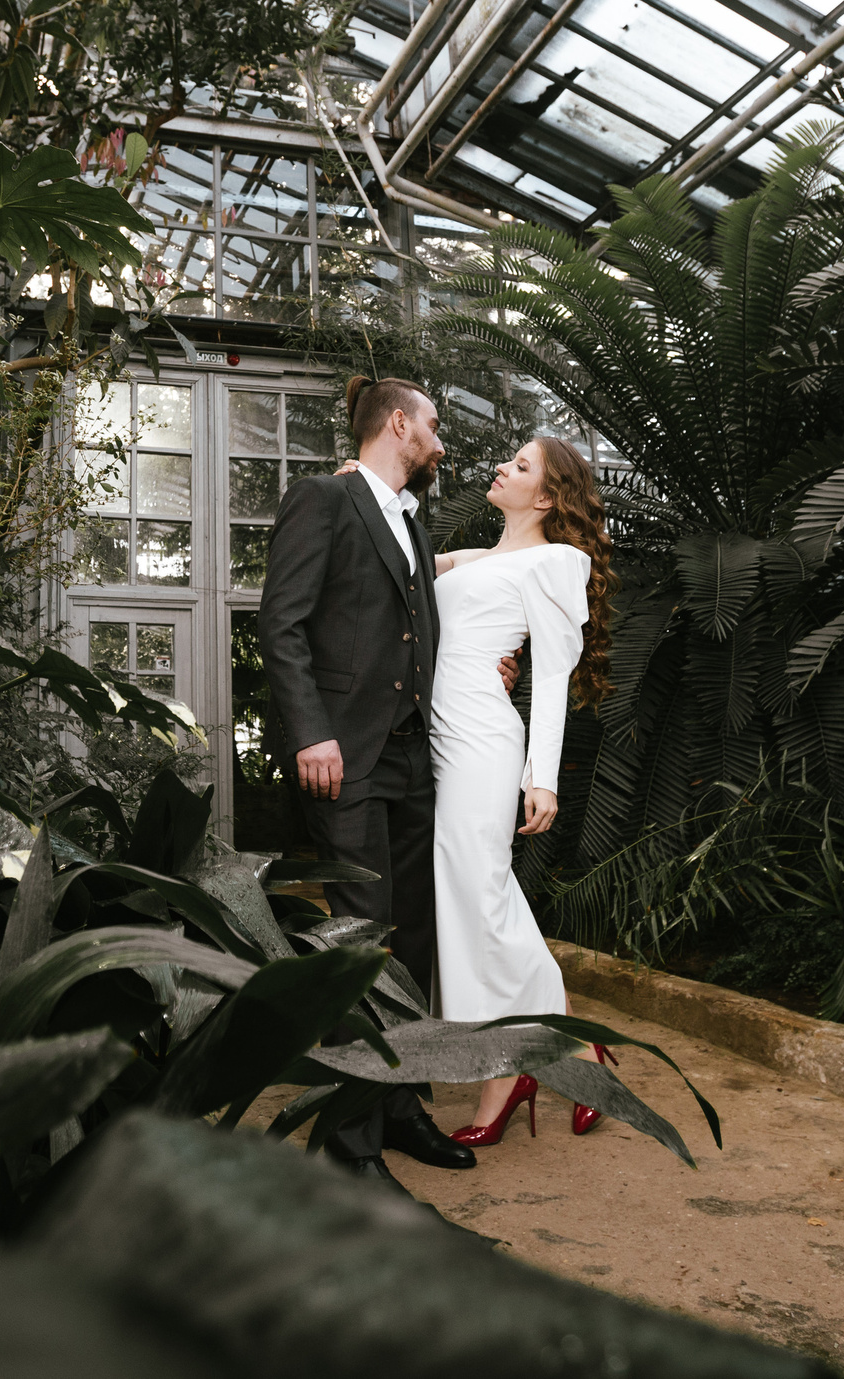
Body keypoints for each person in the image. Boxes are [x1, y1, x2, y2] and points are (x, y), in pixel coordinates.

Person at [256, 376, 493, 1187]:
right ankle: (351, 1144)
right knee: (362, 941)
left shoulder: (412, 526)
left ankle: (398, 1104)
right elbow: (279, 622)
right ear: (399, 424)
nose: (441, 440)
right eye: (433, 424)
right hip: (345, 756)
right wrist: (311, 732)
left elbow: (410, 626)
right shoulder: (323, 498)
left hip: (412, 762)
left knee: (412, 940)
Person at [426, 435, 619, 1145]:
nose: (503, 465)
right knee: (471, 904)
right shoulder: (482, 558)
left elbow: (556, 682)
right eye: (510, 457)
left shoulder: (556, 562)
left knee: (484, 896)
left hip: (482, 741)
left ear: (545, 497)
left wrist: (543, 780)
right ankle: (532, 1060)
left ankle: (557, 1051)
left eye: (522, 464)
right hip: (441, 741)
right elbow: (399, 556)